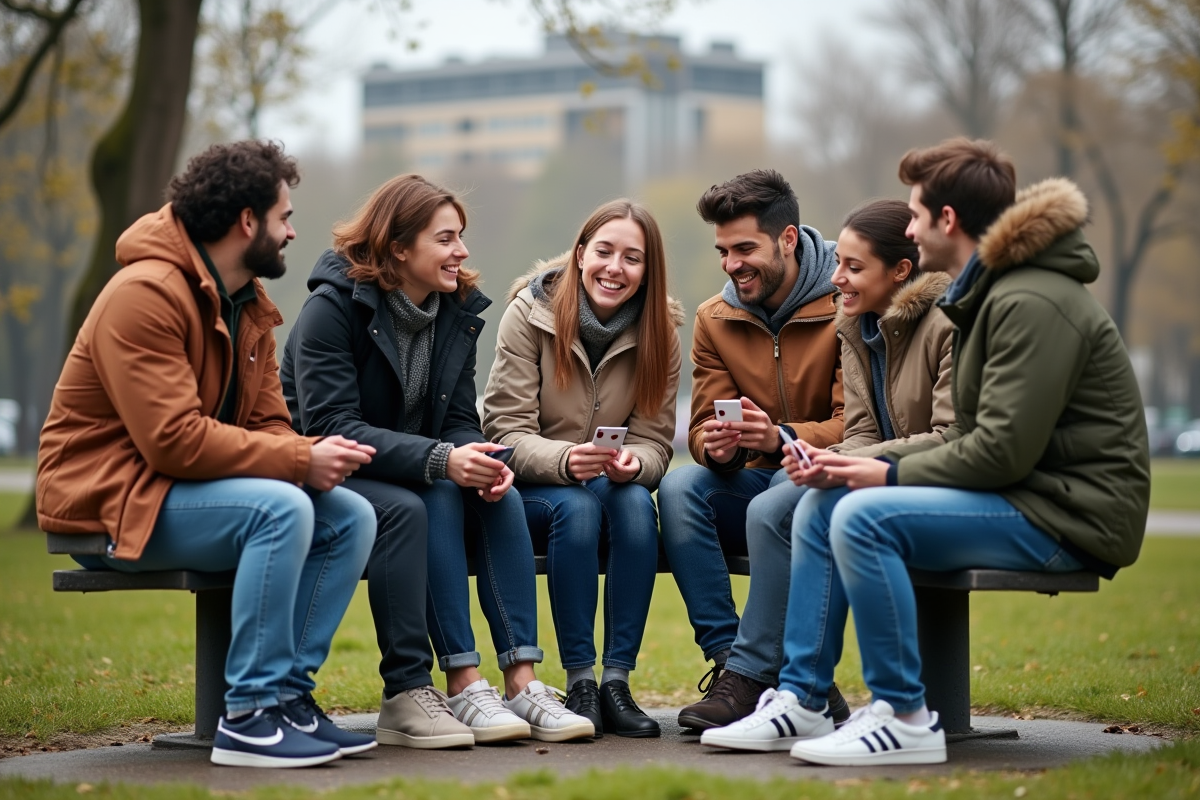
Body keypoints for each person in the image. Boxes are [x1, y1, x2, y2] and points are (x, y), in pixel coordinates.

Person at [708, 138, 1150, 767]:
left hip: (1070, 515)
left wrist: (880, 470)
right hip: (1023, 495)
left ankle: (902, 715)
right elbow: (976, 440)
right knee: (822, 506)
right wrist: (855, 467)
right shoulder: (989, 294)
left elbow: (999, 451)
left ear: (947, 219)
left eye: (915, 214)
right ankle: (802, 699)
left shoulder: (1029, 300)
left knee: (861, 516)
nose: (910, 230)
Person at [36, 141, 379, 768]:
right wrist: (299, 463)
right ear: (247, 221)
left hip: (179, 490)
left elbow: (270, 423)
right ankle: (248, 716)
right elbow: (172, 440)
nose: (292, 231)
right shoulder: (143, 294)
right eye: (284, 217)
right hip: (110, 502)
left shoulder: (248, 304)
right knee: (280, 509)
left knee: (350, 514)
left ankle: (287, 700)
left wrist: (313, 453)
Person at [281, 174, 594, 747]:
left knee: (498, 494)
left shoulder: (453, 312)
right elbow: (331, 427)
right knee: (425, 499)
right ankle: (459, 682)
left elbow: (455, 419)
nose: (462, 252)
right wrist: (444, 458)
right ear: (399, 247)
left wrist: (481, 456)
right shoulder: (332, 309)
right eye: (446, 239)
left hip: (419, 470)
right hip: (331, 472)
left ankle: (522, 682)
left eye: (461, 237)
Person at [698, 198, 955, 751]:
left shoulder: (945, 323)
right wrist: (726, 447)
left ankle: (818, 694)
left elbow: (949, 437)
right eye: (839, 264)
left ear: (900, 271)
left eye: (853, 267)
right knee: (696, 491)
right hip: (862, 471)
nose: (838, 278)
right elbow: (861, 429)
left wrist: (810, 450)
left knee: (790, 506)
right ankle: (785, 691)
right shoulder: (856, 323)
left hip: (935, 483)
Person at [482, 200, 683, 738]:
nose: (615, 268)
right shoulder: (529, 314)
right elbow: (503, 431)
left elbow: (655, 440)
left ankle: (617, 681)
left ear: (649, 270)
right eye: (604, 251)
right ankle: (580, 682)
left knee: (636, 504)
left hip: (609, 484)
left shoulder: (661, 333)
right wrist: (566, 460)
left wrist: (633, 463)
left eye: (632, 258)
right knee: (577, 507)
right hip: (534, 489)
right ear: (579, 254)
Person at [656, 169, 847, 733]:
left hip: (824, 477)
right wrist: (718, 449)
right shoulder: (716, 319)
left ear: (787, 239)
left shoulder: (847, 302)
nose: (731, 265)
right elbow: (702, 426)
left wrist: (781, 437)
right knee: (679, 486)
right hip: (758, 478)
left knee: (776, 498)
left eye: (744, 249)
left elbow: (857, 425)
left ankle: (753, 673)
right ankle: (732, 665)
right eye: (723, 251)